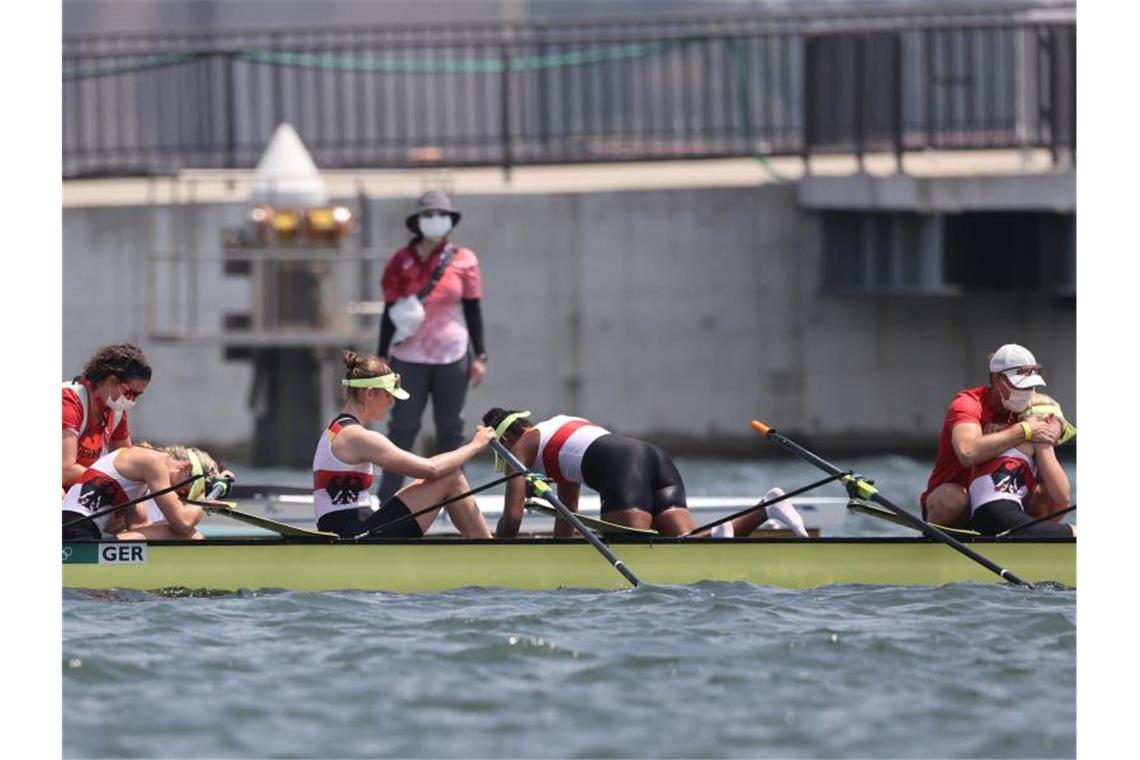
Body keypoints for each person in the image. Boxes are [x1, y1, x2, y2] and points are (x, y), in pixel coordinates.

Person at [483, 408, 809, 539]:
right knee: (683, 549)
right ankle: (768, 506)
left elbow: (512, 520)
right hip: (653, 457)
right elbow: (567, 515)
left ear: (506, 438)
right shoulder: (560, 428)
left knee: (636, 550)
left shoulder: (520, 445)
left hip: (620, 467)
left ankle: (728, 531)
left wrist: (498, 561)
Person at [375, 190, 488, 503]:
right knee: (403, 428)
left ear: (450, 221)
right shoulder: (400, 261)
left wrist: (480, 355)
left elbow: (473, 310)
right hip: (408, 355)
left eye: (442, 215)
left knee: (451, 430)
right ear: (417, 222)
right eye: (428, 215)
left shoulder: (464, 260)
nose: (436, 221)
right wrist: (382, 353)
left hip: (452, 354)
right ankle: (387, 499)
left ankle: (454, 500)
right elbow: (390, 310)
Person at [312, 351, 494, 539]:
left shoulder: (335, 430)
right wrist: (476, 445)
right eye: (388, 395)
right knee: (452, 478)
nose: (391, 402)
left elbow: (431, 465)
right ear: (369, 393)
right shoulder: (358, 437)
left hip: (351, 527)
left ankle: (484, 543)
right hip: (355, 534)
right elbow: (431, 469)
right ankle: (490, 548)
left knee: (448, 471)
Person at [920, 344, 1063, 529]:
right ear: (996, 379)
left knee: (1046, 495)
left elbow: (1059, 426)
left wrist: (1054, 429)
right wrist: (1024, 430)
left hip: (1004, 499)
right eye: (1018, 385)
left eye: (1030, 385)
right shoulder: (968, 403)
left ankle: (1037, 540)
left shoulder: (1035, 404)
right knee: (951, 500)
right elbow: (968, 453)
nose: (1026, 392)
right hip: (958, 500)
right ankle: (937, 547)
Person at [62, 443, 221, 541]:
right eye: (186, 488)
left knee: (176, 532)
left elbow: (139, 527)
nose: (179, 493)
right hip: (74, 530)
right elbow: (183, 524)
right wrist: (207, 494)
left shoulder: (139, 481)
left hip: (77, 531)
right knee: (189, 534)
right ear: (186, 467)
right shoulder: (152, 461)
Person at [968, 392, 1075, 537]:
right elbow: (1062, 497)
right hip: (1003, 516)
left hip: (979, 518)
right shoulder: (1040, 437)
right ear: (1049, 419)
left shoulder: (996, 436)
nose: (1057, 442)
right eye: (1061, 432)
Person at [62, 344, 152, 491]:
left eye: (138, 396)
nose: (133, 401)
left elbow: (127, 461)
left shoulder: (116, 410)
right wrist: (112, 482)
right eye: (130, 393)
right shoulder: (69, 401)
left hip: (80, 488)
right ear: (111, 381)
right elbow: (65, 471)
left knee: (137, 509)